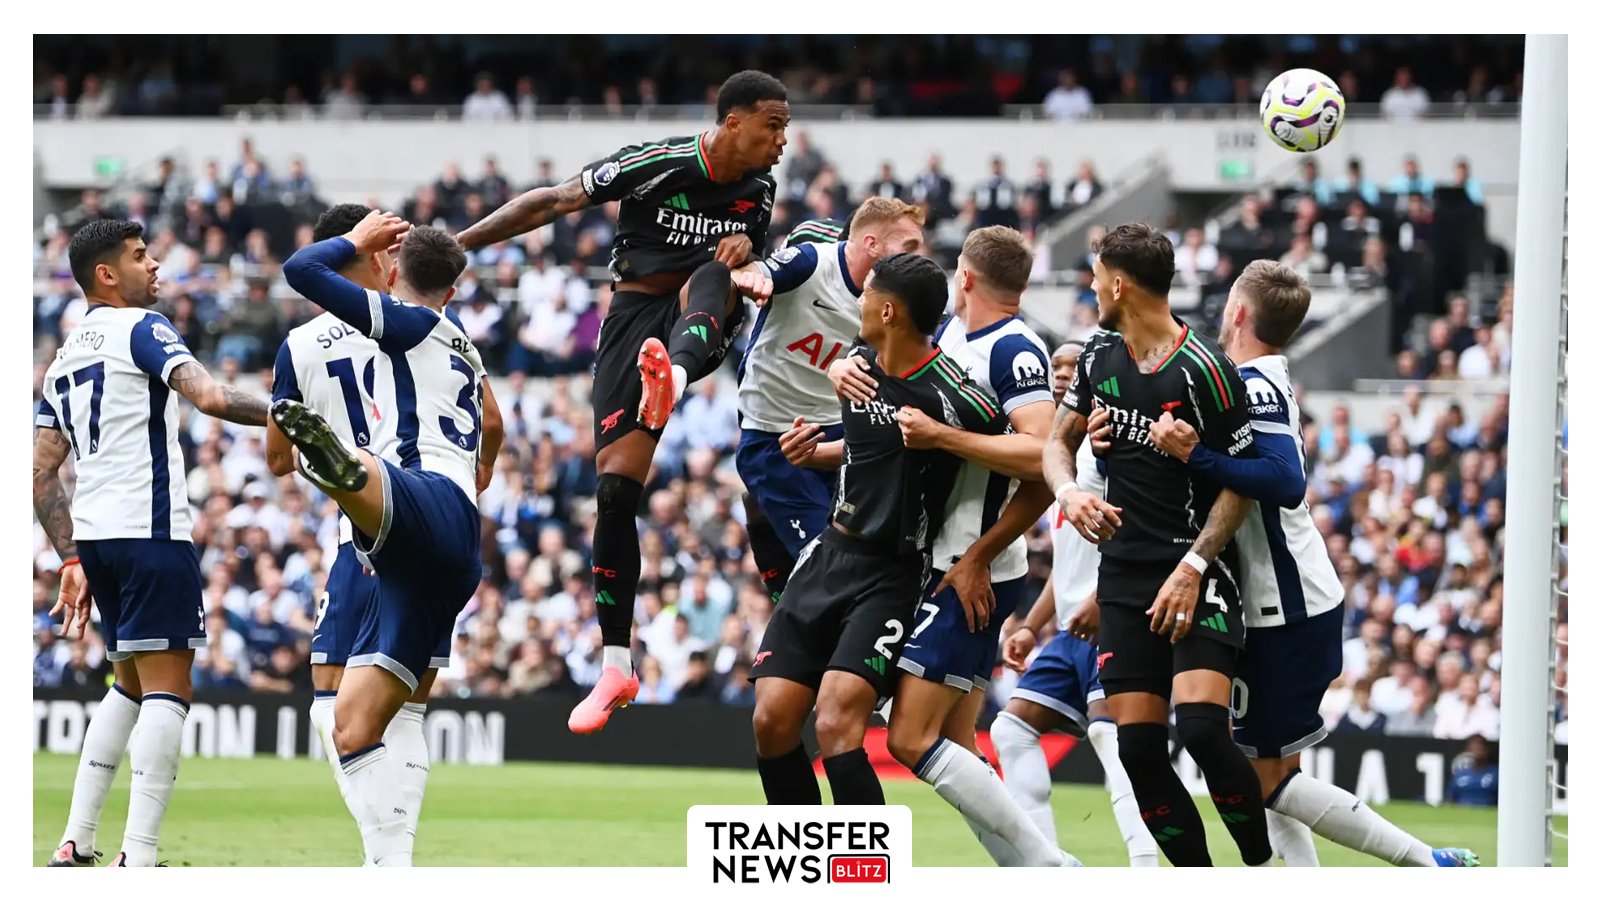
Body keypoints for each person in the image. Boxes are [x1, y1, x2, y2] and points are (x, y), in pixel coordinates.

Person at [456, 70, 790, 734]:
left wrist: (749, 249)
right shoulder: (651, 163)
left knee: (715, 273)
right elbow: (550, 203)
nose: (783, 141)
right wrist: (456, 249)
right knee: (613, 493)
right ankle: (616, 664)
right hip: (633, 319)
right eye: (773, 125)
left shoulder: (759, 190)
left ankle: (678, 378)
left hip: (693, 321)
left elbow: (750, 259)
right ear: (732, 123)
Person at [1133, 259, 1478, 867]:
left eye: (1226, 304)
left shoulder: (1259, 383)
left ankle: (1426, 864)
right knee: (1267, 778)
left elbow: (1286, 480)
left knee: (1266, 781)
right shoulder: (1243, 379)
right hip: (1274, 603)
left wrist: (1196, 457)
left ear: (1238, 312)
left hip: (1289, 605)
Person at [267, 203, 499, 857]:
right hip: (455, 542)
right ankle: (390, 867)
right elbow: (498, 427)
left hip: (398, 511)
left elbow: (299, 269)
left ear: (391, 264)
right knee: (358, 723)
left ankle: (343, 469)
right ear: (454, 289)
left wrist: (350, 242)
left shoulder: (392, 323)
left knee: (328, 706)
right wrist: (479, 475)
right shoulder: (461, 338)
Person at [39, 219, 269, 866]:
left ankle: (75, 841)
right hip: (150, 528)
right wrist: (290, 418)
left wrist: (71, 557)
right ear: (106, 275)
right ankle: (138, 857)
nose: (156, 266)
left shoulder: (63, 355)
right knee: (169, 688)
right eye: (141, 257)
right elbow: (211, 396)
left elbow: (39, 470)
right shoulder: (144, 329)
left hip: (98, 538)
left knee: (129, 683)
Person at [747, 254, 1010, 818]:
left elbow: (1039, 460)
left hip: (892, 571)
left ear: (887, 310)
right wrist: (814, 453)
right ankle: (807, 862)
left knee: (838, 719)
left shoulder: (957, 395)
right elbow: (870, 447)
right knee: (770, 718)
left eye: (865, 295)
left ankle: (865, 877)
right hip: (828, 556)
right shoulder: (859, 363)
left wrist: (945, 444)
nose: (857, 302)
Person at [1042, 221, 1269, 867]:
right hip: (1123, 577)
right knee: (1138, 750)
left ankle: (1257, 869)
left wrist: (1195, 565)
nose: (1089, 284)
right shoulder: (1096, 355)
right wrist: (1069, 494)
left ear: (1119, 282)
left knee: (1200, 730)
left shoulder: (1207, 370)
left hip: (1196, 569)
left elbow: (1242, 485)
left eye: (1094, 273)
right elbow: (1056, 443)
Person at [847, 227, 1068, 865]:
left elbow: (1044, 457)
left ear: (965, 278)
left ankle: (1049, 864)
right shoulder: (945, 339)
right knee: (956, 743)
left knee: (912, 739)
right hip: (935, 558)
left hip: (976, 565)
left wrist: (947, 442)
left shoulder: (1017, 349)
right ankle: (1028, 869)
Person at [991, 341, 1161, 868]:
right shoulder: (1061, 456)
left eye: (1072, 367)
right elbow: (1068, 564)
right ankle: (1049, 865)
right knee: (1009, 728)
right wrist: (1032, 625)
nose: (1061, 374)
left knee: (1113, 739)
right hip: (1070, 631)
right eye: (1055, 367)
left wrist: (1101, 600)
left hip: (1116, 618)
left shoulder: (1108, 442)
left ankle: (1146, 869)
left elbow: (1147, 531)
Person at [732, 199, 923, 605]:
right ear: (872, 244)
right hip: (776, 433)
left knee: (862, 559)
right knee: (830, 565)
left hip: (841, 435)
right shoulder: (812, 263)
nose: (917, 258)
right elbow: (755, 272)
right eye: (908, 247)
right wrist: (751, 276)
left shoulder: (893, 303)